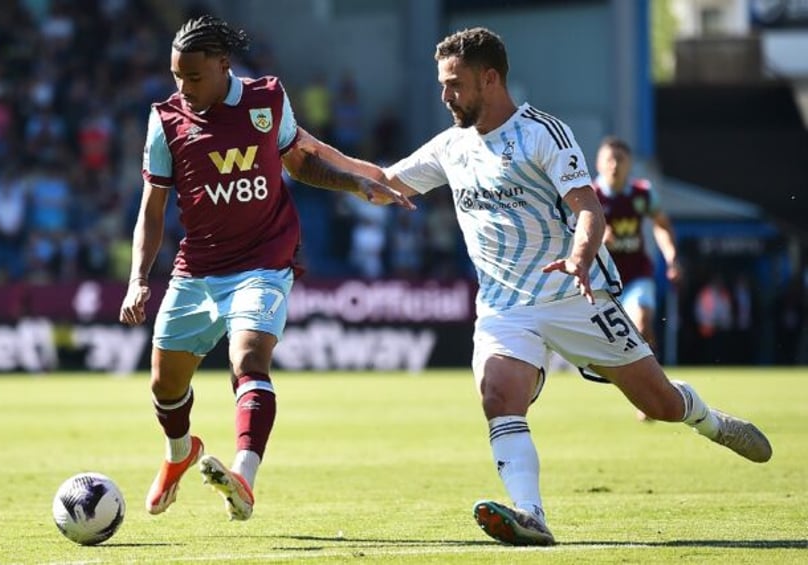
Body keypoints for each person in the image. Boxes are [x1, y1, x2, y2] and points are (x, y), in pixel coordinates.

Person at [311, 27, 772, 547]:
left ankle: (711, 421)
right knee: (497, 395)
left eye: (455, 84)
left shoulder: (543, 135)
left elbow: (588, 210)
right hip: (505, 306)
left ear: (490, 78)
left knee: (661, 404)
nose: (445, 96)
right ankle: (530, 515)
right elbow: (383, 180)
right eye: (443, 85)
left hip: (575, 296)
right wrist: (307, 146)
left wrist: (578, 258)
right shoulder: (450, 147)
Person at [118, 15, 412, 522]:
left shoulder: (266, 99)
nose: (183, 88)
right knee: (166, 387)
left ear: (223, 65)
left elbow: (299, 161)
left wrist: (355, 183)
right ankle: (179, 453)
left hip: (264, 259)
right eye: (176, 77)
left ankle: (243, 478)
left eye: (193, 77)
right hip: (197, 269)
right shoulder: (165, 120)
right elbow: (152, 207)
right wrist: (139, 279)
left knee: (249, 358)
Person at [592, 136, 681, 420]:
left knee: (642, 321)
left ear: (630, 164)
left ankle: (651, 395)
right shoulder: (589, 194)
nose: (615, 165)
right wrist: (593, 236)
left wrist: (671, 257)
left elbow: (662, 225)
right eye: (610, 159)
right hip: (600, 282)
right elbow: (567, 231)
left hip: (636, 276)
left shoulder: (642, 194)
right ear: (599, 163)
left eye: (621, 159)